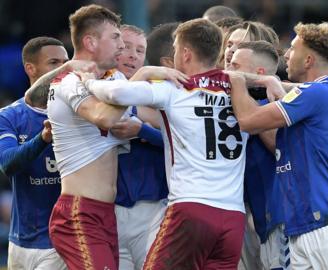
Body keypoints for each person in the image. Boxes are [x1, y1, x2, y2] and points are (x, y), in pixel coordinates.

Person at [80, 18, 248, 269]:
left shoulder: (176, 88)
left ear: (186, 53)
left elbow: (117, 94)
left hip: (191, 208)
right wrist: (267, 80)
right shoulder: (238, 91)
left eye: (177, 48)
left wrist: (87, 81)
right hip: (234, 217)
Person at [229, 22, 328, 269]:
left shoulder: (316, 93)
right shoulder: (321, 94)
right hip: (303, 224)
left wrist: (236, 79)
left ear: (308, 60)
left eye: (292, 48)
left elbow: (248, 121)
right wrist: (265, 82)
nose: (286, 54)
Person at [46, 4, 128, 269]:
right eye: (114, 37)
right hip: (80, 213)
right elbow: (103, 118)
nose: (122, 45)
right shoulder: (70, 81)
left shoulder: (109, 81)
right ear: (90, 41)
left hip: (104, 213)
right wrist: (140, 83)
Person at [0, 36, 68, 270]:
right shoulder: (9, 116)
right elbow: (8, 164)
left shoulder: (80, 115)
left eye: (66, 62)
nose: (63, 69)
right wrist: (42, 139)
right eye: (54, 63)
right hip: (19, 240)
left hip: (59, 240)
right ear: (31, 68)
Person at [114, 24, 170, 270]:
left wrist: (144, 130)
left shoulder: (161, 92)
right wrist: (139, 113)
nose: (133, 55)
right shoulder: (90, 90)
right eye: (126, 47)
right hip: (109, 208)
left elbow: (181, 142)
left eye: (139, 50)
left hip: (153, 206)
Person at [227, 41, 286, 270]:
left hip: (281, 220)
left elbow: (279, 147)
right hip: (252, 219)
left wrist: (253, 112)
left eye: (235, 65)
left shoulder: (275, 104)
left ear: (258, 73)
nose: (230, 71)